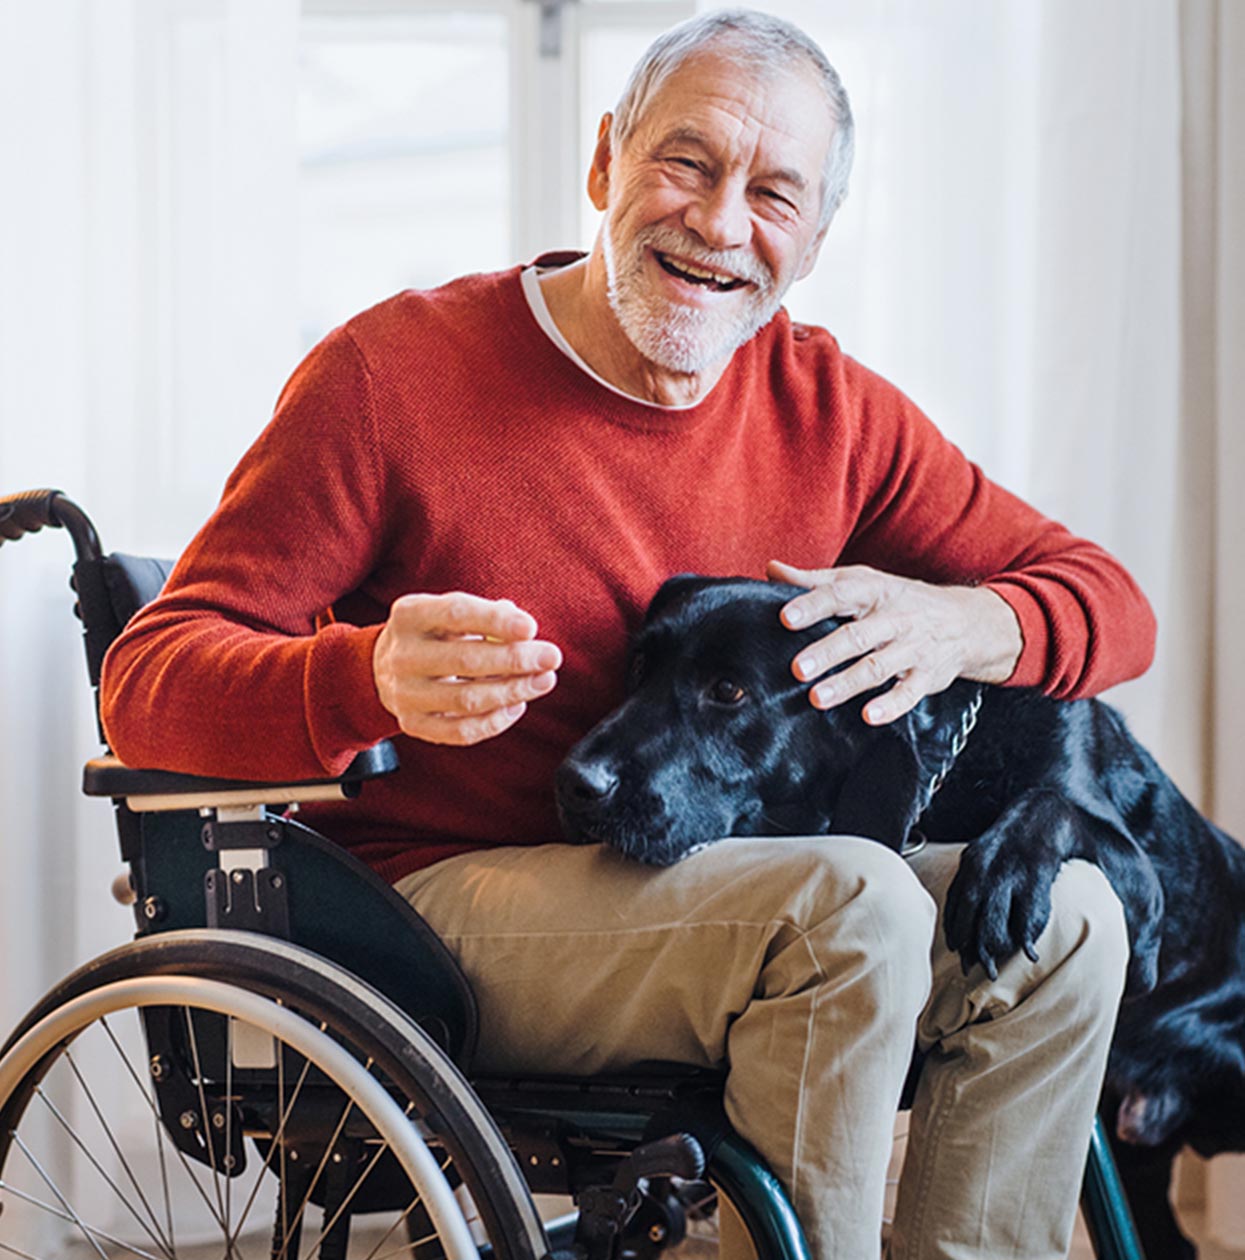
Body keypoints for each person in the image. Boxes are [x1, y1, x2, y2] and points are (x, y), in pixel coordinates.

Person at [101, 9, 1156, 1257]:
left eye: (773, 193)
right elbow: (146, 680)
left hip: (708, 887)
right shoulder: (391, 376)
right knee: (857, 901)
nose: (720, 223)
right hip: (434, 908)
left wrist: (962, 619)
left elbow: (1111, 603)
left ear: (815, 240)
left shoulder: (831, 410)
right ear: (605, 162)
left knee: (1071, 921)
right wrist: (363, 675)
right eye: (686, 163)